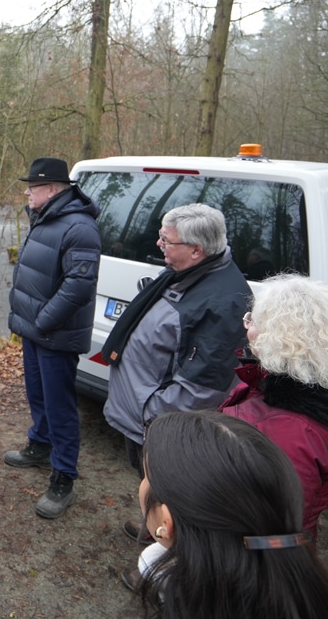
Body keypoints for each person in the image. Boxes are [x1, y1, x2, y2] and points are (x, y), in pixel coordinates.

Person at [102, 203, 251, 542]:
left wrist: (152, 417)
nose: (159, 245)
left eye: (166, 241)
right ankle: (150, 527)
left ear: (197, 250)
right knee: (151, 486)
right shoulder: (189, 272)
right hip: (143, 413)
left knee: (174, 496)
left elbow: (202, 385)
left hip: (159, 423)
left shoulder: (224, 302)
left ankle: (166, 562)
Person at [132, 410, 328, 619]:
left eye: (147, 476)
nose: (142, 483)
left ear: (166, 522)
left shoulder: (190, 600)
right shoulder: (303, 587)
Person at [222, 275, 328, 538]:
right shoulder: (302, 391)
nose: (248, 328)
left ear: (282, 338)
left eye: (254, 320)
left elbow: (270, 525)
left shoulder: (289, 433)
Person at [2, 157, 101, 519]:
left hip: (54, 334)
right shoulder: (44, 217)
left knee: (60, 406)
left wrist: (43, 321)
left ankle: (63, 476)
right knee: (37, 393)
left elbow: (78, 286)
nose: (27, 191)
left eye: (33, 186)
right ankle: (40, 445)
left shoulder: (79, 227)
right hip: (35, 331)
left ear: (54, 190)